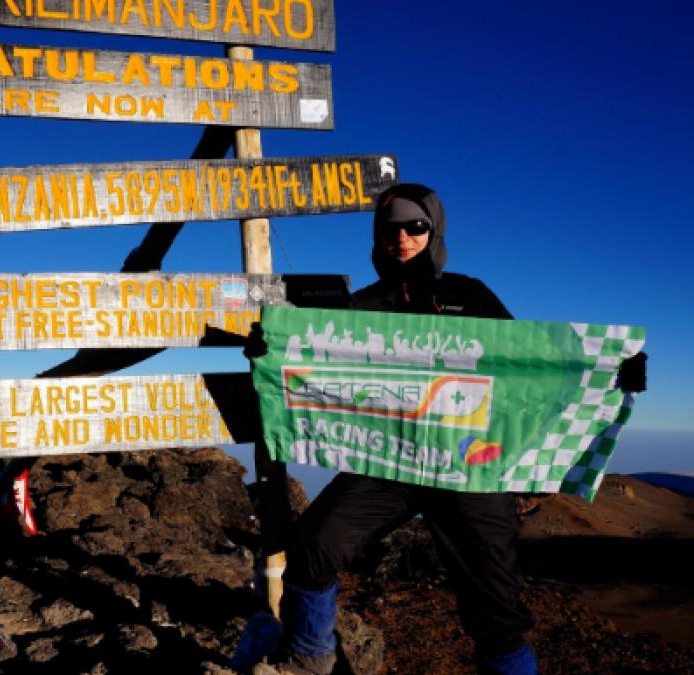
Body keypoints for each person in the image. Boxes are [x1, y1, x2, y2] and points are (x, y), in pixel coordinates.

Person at [247, 183, 645, 675]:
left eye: (416, 226)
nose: (403, 237)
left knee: (495, 610)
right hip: (389, 460)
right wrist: (271, 350)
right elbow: (319, 362)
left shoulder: (468, 294)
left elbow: (530, 368)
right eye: (392, 228)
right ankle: (310, 658)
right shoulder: (361, 307)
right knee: (314, 545)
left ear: (433, 231)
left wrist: (610, 372)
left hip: (467, 466)